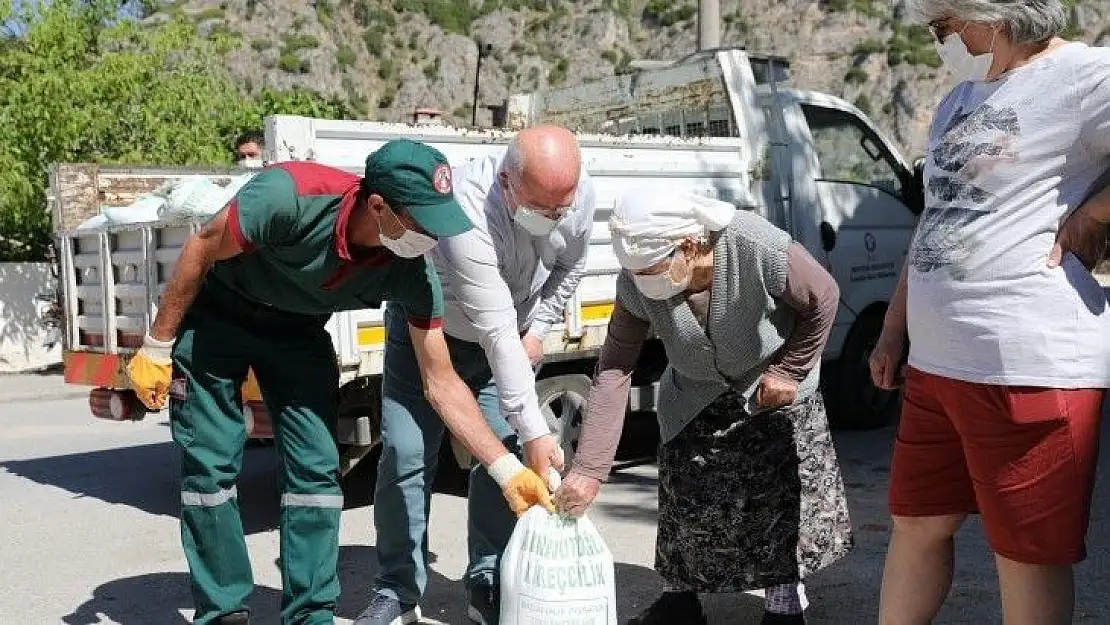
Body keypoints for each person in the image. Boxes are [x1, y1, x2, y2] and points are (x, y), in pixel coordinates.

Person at [123, 139, 554, 625]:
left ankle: (310, 613)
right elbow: (202, 246)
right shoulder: (290, 195)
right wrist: (158, 344)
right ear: (378, 207)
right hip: (219, 316)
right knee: (211, 467)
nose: (434, 239)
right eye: (423, 224)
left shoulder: (412, 273)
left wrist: (505, 470)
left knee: (317, 471)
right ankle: (224, 609)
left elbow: (441, 383)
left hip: (298, 332)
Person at [870, 2, 1110, 624]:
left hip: (1027, 360)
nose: (938, 39)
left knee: (1025, 555)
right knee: (916, 523)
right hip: (935, 362)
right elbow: (936, 219)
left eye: (944, 24)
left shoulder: (1088, 76)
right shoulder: (958, 100)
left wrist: (1091, 217)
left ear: (992, 11)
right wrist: (895, 331)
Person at [552, 189, 853, 625]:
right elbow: (616, 366)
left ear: (690, 245)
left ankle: (784, 606)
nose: (641, 282)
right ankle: (679, 601)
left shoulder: (755, 245)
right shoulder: (638, 284)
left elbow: (824, 297)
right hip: (693, 395)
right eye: (634, 272)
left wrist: (790, 370)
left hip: (772, 388)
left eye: (650, 270)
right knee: (686, 501)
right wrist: (590, 468)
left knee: (780, 502)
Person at [356, 125, 597, 625]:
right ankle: (398, 589)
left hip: (510, 335)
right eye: (543, 208)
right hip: (430, 329)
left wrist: (540, 330)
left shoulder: (575, 194)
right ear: (508, 184)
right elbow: (493, 328)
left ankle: (487, 577)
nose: (555, 218)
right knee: (405, 453)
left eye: (562, 208)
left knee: (500, 460)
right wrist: (537, 429)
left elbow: (570, 268)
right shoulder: (467, 210)